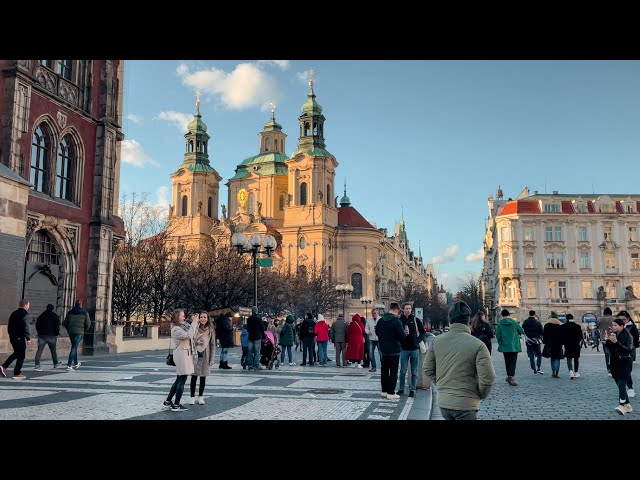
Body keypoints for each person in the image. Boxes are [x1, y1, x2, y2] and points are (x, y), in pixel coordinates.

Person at [424, 301, 496, 420]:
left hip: (444, 403)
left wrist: (442, 384)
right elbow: (488, 377)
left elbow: (427, 368)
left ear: (450, 320)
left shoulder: (436, 341)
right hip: (467, 404)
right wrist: (480, 394)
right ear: (468, 321)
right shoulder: (478, 345)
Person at [164, 309, 199, 411]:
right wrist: (194, 323)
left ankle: (168, 400)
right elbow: (188, 335)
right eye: (182, 315)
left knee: (179, 379)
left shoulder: (184, 326)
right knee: (182, 380)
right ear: (177, 317)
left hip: (185, 355)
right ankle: (176, 404)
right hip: (182, 356)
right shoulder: (175, 329)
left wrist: (194, 323)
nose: (184, 317)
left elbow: (193, 334)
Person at [375, 302, 404, 400]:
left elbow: (377, 332)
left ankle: (384, 391)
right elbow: (401, 336)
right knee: (393, 371)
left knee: (384, 371)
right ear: (396, 310)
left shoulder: (380, 321)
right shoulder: (396, 321)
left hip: (383, 349)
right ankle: (391, 393)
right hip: (394, 350)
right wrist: (405, 334)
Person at [397, 302, 426, 397]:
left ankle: (412, 389)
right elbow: (396, 334)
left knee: (414, 371)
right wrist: (402, 336)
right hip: (404, 349)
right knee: (403, 371)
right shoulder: (399, 320)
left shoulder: (416, 320)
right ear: (403, 310)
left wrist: (417, 341)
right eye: (406, 308)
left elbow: (423, 333)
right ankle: (401, 389)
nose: (408, 310)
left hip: (414, 349)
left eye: (409, 308)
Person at [606, 318, 633, 415]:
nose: (613, 327)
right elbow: (613, 350)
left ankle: (622, 405)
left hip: (624, 362)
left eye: (615, 325)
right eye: (613, 325)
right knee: (619, 385)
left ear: (621, 326)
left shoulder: (627, 335)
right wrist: (608, 342)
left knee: (622, 383)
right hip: (615, 362)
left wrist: (616, 342)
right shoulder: (615, 334)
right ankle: (628, 405)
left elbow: (628, 350)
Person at [189, 311, 216, 405]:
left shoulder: (211, 330)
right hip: (196, 354)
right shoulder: (195, 328)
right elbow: (190, 340)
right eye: (201, 317)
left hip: (206, 355)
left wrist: (212, 358)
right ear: (199, 318)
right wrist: (196, 342)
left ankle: (200, 396)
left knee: (203, 377)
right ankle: (192, 397)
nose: (203, 319)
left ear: (208, 319)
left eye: (205, 317)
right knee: (194, 377)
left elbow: (213, 345)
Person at [0, 299, 31, 379]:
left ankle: (4, 367)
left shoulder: (14, 313)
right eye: (28, 305)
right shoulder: (25, 314)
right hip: (20, 337)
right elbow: (25, 327)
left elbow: (9, 326)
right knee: (21, 355)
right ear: (25, 305)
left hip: (13, 337)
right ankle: (17, 373)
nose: (28, 306)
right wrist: (28, 338)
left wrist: (11, 336)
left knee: (17, 353)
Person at [496, 308, 524, 386]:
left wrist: (500, 342)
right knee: (513, 361)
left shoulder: (500, 323)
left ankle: (509, 376)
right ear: (509, 315)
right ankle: (511, 377)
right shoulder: (513, 322)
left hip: (505, 345)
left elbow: (498, 335)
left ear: (502, 315)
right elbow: (521, 331)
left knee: (507, 361)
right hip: (514, 345)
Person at [62, 299, 91, 371]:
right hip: (79, 333)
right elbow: (88, 323)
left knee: (74, 347)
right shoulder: (85, 312)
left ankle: (76, 363)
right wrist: (84, 329)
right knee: (74, 347)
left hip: (71, 332)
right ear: (81, 305)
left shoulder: (70, 312)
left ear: (75, 305)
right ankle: (69, 365)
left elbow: (65, 323)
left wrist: (69, 329)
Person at [34, 304, 63, 371]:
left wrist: (39, 332)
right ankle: (55, 364)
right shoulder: (55, 316)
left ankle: (37, 365)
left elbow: (37, 325)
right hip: (51, 336)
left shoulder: (41, 316)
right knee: (53, 351)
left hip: (42, 336)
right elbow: (57, 327)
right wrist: (57, 333)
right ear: (53, 309)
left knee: (39, 351)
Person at [618, 310, 639, 398]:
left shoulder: (632, 327)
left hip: (628, 351)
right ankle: (625, 389)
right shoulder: (618, 327)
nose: (622, 321)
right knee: (622, 371)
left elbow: (636, 338)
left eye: (624, 319)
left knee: (627, 371)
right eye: (620, 319)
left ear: (628, 319)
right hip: (619, 351)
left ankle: (630, 388)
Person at [521, 310, 544, 375]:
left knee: (531, 354)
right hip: (536, 340)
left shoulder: (525, 322)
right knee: (539, 354)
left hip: (529, 340)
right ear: (534, 314)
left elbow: (522, 330)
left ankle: (533, 368)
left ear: (529, 314)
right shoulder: (537, 322)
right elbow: (542, 332)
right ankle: (539, 367)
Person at [543, 311, 564, 378]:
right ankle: (557, 372)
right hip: (558, 344)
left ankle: (553, 372)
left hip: (550, 343)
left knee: (552, 358)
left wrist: (545, 342)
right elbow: (563, 335)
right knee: (557, 358)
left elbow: (545, 335)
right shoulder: (560, 325)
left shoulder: (547, 325)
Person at [562, 313, 583, 379]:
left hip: (567, 344)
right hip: (576, 344)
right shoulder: (578, 326)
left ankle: (570, 371)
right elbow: (581, 336)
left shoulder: (564, 326)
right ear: (572, 318)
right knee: (576, 358)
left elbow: (562, 336)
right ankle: (576, 372)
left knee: (569, 358)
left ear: (566, 318)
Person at [597, 307, 615, 374]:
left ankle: (609, 369)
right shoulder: (614, 319)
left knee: (607, 354)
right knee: (613, 353)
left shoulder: (600, 319)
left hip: (604, 338)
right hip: (613, 338)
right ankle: (614, 367)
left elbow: (598, 327)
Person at [246, 306, 265, 370]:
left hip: (250, 337)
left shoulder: (249, 319)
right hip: (257, 337)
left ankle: (249, 365)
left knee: (249, 351)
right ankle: (256, 365)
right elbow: (262, 328)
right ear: (257, 311)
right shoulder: (258, 319)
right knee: (257, 351)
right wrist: (263, 335)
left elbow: (247, 328)